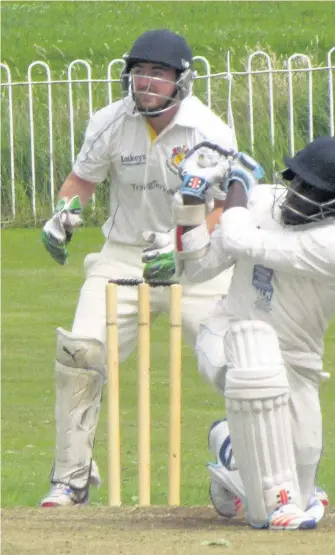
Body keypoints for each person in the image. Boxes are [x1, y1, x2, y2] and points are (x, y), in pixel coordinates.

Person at [39, 29, 237, 507]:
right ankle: (72, 476)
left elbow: (226, 205)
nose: (146, 82)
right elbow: (81, 180)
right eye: (139, 72)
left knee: (235, 361)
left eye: (158, 74)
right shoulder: (111, 121)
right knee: (80, 353)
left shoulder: (209, 130)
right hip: (123, 254)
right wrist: (63, 214)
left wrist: (181, 244)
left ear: (180, 80)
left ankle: (243, 459)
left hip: (194, 257)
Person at [174, 136, 335, 529]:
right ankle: (267, 492)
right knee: (274, 504)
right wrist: (192, 200)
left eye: (312, 190)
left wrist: (237, 186)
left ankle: (230, 452)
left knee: (298, 481)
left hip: (296, 360)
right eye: (297, 183)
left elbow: (239, 237)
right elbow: (196, 269)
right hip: (229, 335)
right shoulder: (261, 202)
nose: (298, 195)